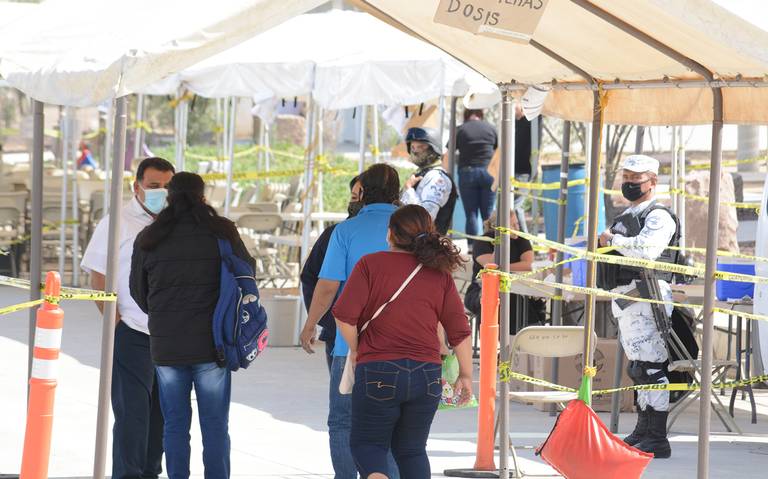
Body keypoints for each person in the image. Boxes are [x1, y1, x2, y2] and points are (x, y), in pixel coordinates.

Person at [129, 172, 255, 479]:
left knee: (174, 424)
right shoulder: (223, 232)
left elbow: (137, 290)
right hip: (214, 345)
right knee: (215, 426)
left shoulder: (149, 237)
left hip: (167, 345)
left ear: (169, 197)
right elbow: (247, 274)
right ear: (202, 197)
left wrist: (161, 316)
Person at [332, 204, 473, 478]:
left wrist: (358, 348)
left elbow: (344, 317)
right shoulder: (439, 274)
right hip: (427, 374)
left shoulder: (370, 265)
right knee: (412, 450)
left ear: (390, 234)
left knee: (367, 445)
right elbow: (459, 330)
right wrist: (466, 374)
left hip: (378, 369)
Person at [299, 163, 402, 479]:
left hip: (352, 346)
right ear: (397, 192)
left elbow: (327, 285)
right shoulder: (414, 229)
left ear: (362, 193)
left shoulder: (345, 231)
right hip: (405, 345)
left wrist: (310, 324)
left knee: (344, 420)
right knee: (394, 425)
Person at [81, 156, 174, 479]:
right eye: (153, 187)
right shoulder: (116, 221)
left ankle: (150, 473)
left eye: (167, 187)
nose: (161, 193)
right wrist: (116, 321)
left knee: (162, 416)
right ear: (137, 187)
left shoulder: (178, 222)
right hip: (132, 332)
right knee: (132, 415)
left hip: (171, 337)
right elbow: (97, 277)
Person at [597, 154, 678, 459]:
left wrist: (612, 238)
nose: (629, 183)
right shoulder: (624, 216)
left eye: (636, 178)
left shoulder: (658, 216)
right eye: (626, 178)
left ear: (653, 182)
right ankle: (644, 430)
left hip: (647, 296)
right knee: (638, 369)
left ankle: (657, 436)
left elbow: (646, 251)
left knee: (652, 367)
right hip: (626, 300)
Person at [301, 175, 363, 371]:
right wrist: (325, 320)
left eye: (360, 197)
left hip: (387, 337)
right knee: (344, 396)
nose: (356, 203)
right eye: (353, 197)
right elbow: (313, 279)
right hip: (339, 333)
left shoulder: (399, 235)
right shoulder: (336, 234)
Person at [463, 210, 545, 334]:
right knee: (501, 297)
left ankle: (520, 339)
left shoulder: (520, 239)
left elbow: (528, 265)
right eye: (513, 225)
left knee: (524, 299)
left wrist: (504, 269)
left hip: (519, 289)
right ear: (500, 227)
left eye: (517, 224)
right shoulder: (483, 240)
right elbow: (492, 265)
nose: (518, 228)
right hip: (481, 290)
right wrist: (502, 239)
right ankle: (501, 343)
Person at [400, 127, 457, 235]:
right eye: (412, 147)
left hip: (427, 247)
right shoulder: (423, 173)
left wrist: (408, 190)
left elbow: (427, 217)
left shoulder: (437, 178)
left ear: (433, 148)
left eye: (421, 146)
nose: (415, 151)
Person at [454, 109, 497, 240]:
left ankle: (473, 248)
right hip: (488, 172)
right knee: (488, 214)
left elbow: (449, 152)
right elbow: (499, 151)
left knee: (471, 214)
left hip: (467, 173)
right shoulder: (491, 128)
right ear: (480, 115)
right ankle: (490, 246)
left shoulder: (460, 130)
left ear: (466, 115)